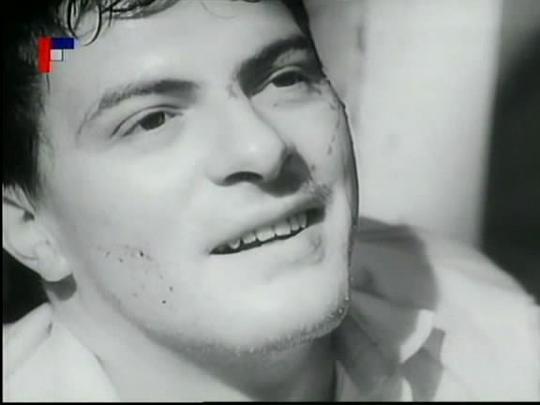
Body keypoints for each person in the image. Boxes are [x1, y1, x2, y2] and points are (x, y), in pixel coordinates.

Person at [2, 0, 539, 401]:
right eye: (152, 119)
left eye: (285, 78)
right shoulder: (55, 55)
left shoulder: (489, 328)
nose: (262, 149)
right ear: (27, 225)